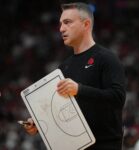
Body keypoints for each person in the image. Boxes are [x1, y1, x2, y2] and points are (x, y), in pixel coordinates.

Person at [23, 2, 126, 150]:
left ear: (86, 24)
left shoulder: (107, 58)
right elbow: (60, 109)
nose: (61, 29)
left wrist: (80, 89)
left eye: (67, 22)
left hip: (105, 145)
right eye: (60, 24)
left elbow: (118, 98)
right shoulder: (64, 67)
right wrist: (39, 123)